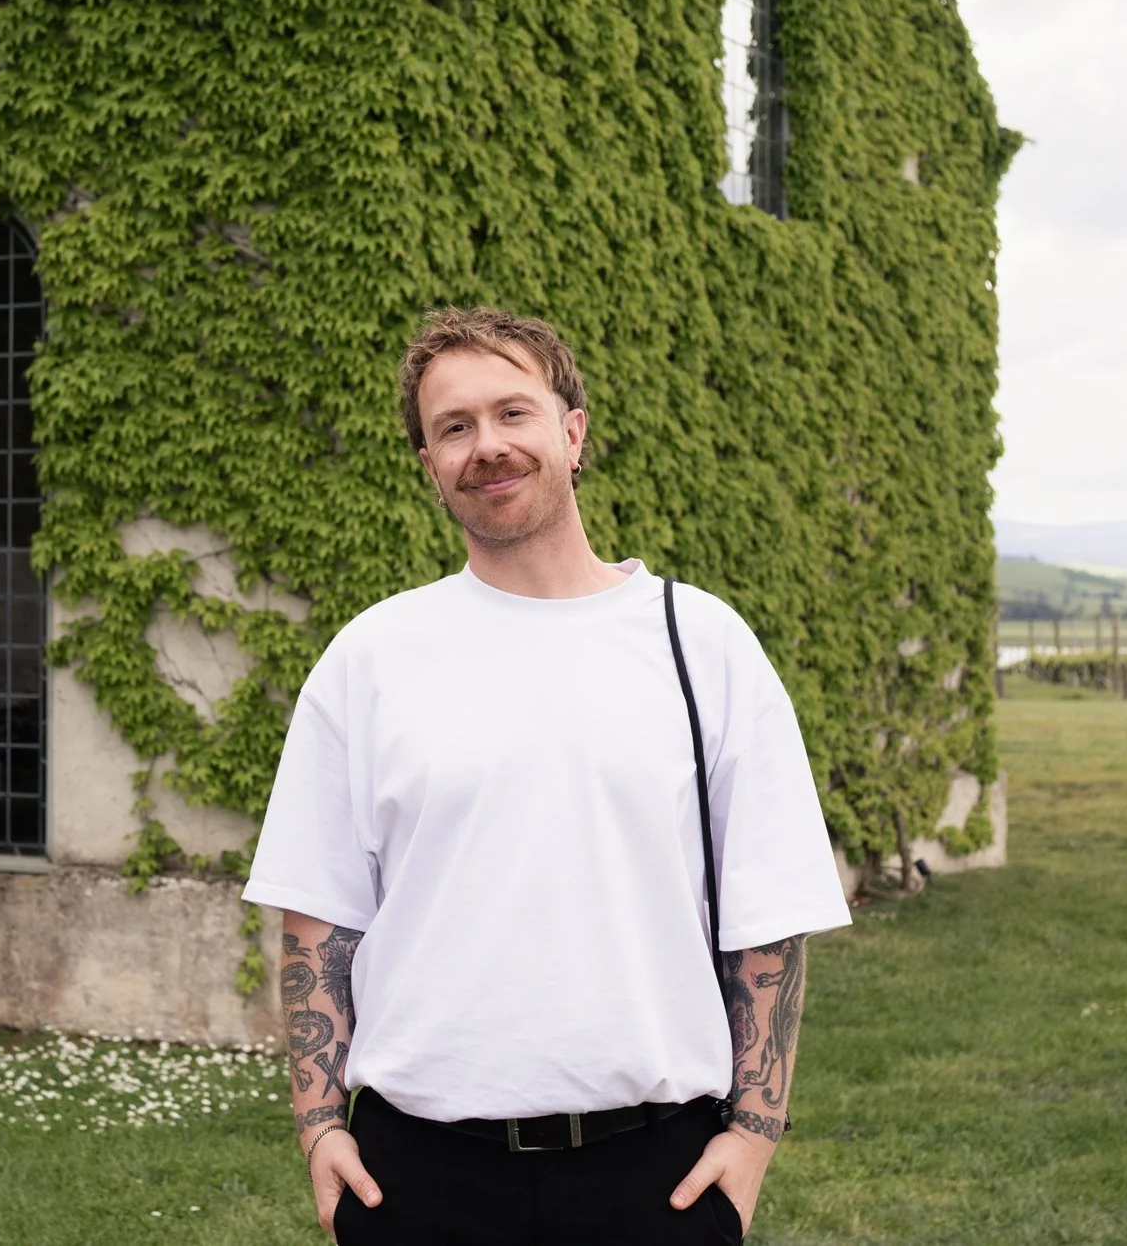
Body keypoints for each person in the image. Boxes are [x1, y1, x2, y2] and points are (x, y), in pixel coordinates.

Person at [241, 307, 852, 1244]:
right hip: (417, 1178)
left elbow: (768, 915)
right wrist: (320, 1123)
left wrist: (755, 1131)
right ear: (429, 466)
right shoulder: (372, 658)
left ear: (572, 430)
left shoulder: (703, 643)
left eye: (512, 412)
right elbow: (318, 917)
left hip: (660, 1177)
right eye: (454, 427)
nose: (487, 445)